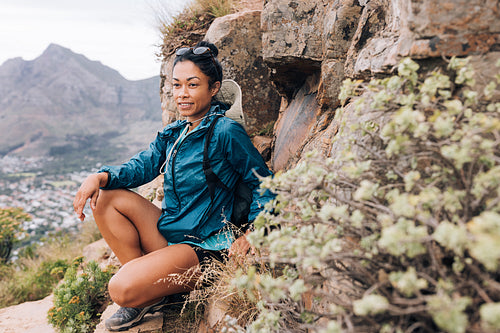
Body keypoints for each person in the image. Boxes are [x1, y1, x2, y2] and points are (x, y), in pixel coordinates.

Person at [72, 41, 275, 331]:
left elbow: (262, 182)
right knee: (105, 198)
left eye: (193, 85)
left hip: (205, 246)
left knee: (119, 289)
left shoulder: (225, 132)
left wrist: (254, 233)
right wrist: (100, 177)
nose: (182, 94)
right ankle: (152, 297)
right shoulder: (176, 131)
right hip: (173, 232)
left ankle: (144, 290)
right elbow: (142, 166)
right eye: (177, 85)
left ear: (214, 88)